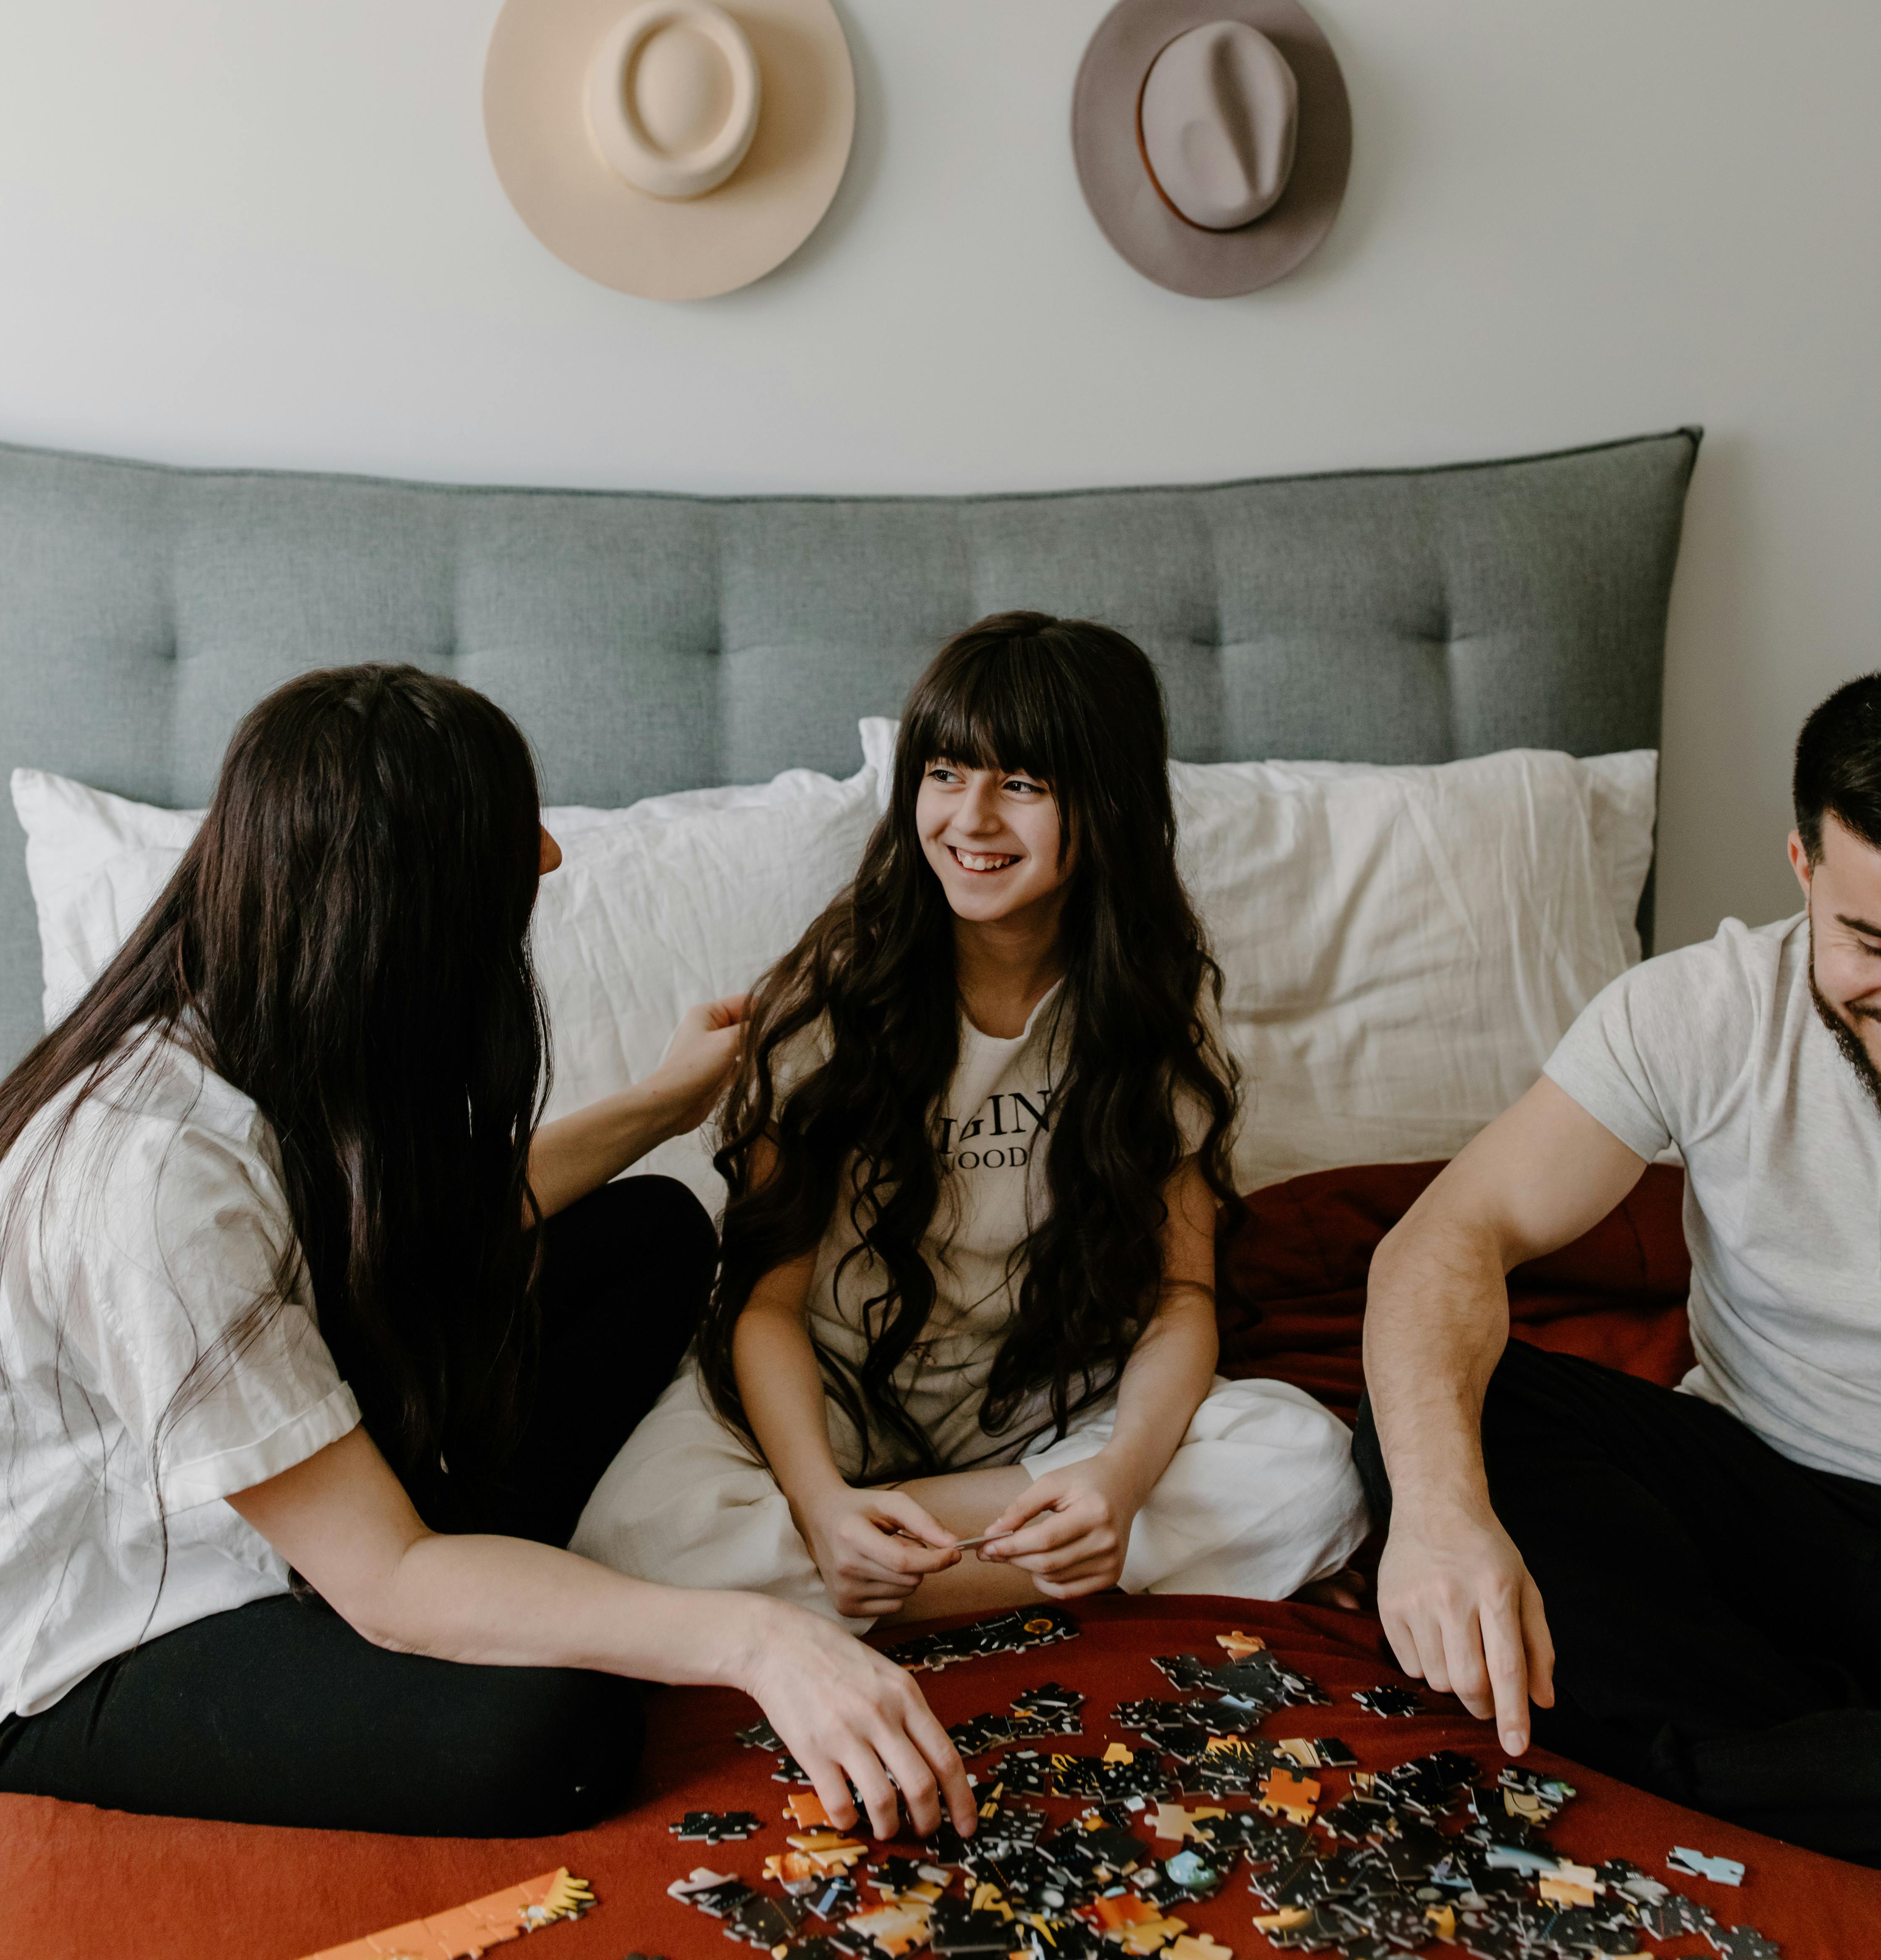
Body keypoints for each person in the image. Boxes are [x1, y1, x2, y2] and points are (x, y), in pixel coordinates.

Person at [0, 665, 972, 1842]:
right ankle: (505, 1596)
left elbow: (422, 1230)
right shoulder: (157, 1179)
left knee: (654, 1230)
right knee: (553, 1734)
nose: (552, 860)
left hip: (288, 1468)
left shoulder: (266, 1004)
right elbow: (387, 1579)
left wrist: (666, 1105)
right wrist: (755, 1637)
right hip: (108, 1622)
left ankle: (505, 1586)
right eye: (514, 841)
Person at [573, 612, 1367, 1623]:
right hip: (830, 1398)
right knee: (632, 1537)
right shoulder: (825, 1004)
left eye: (1023, 785)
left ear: (1109, 802)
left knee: (1308, 1466)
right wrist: (819, 1504)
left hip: (1047, 1403)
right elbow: (765, 1307)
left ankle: (887, 1569)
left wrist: (1118, 1481)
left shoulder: (1150, 1009)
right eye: (944, 774)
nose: (971, 820)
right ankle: (972, 1555)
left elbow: (1179, 1296)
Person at [1357, 673, 1881, 1867]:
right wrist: (1441, 1525)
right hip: (1772, 1497)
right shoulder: (1699, 1010)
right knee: (1458, 1411)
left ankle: (1718, 1769)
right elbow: (1444, 1242)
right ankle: (1817, 1764)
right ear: (1804, 869)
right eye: (1874, 944)